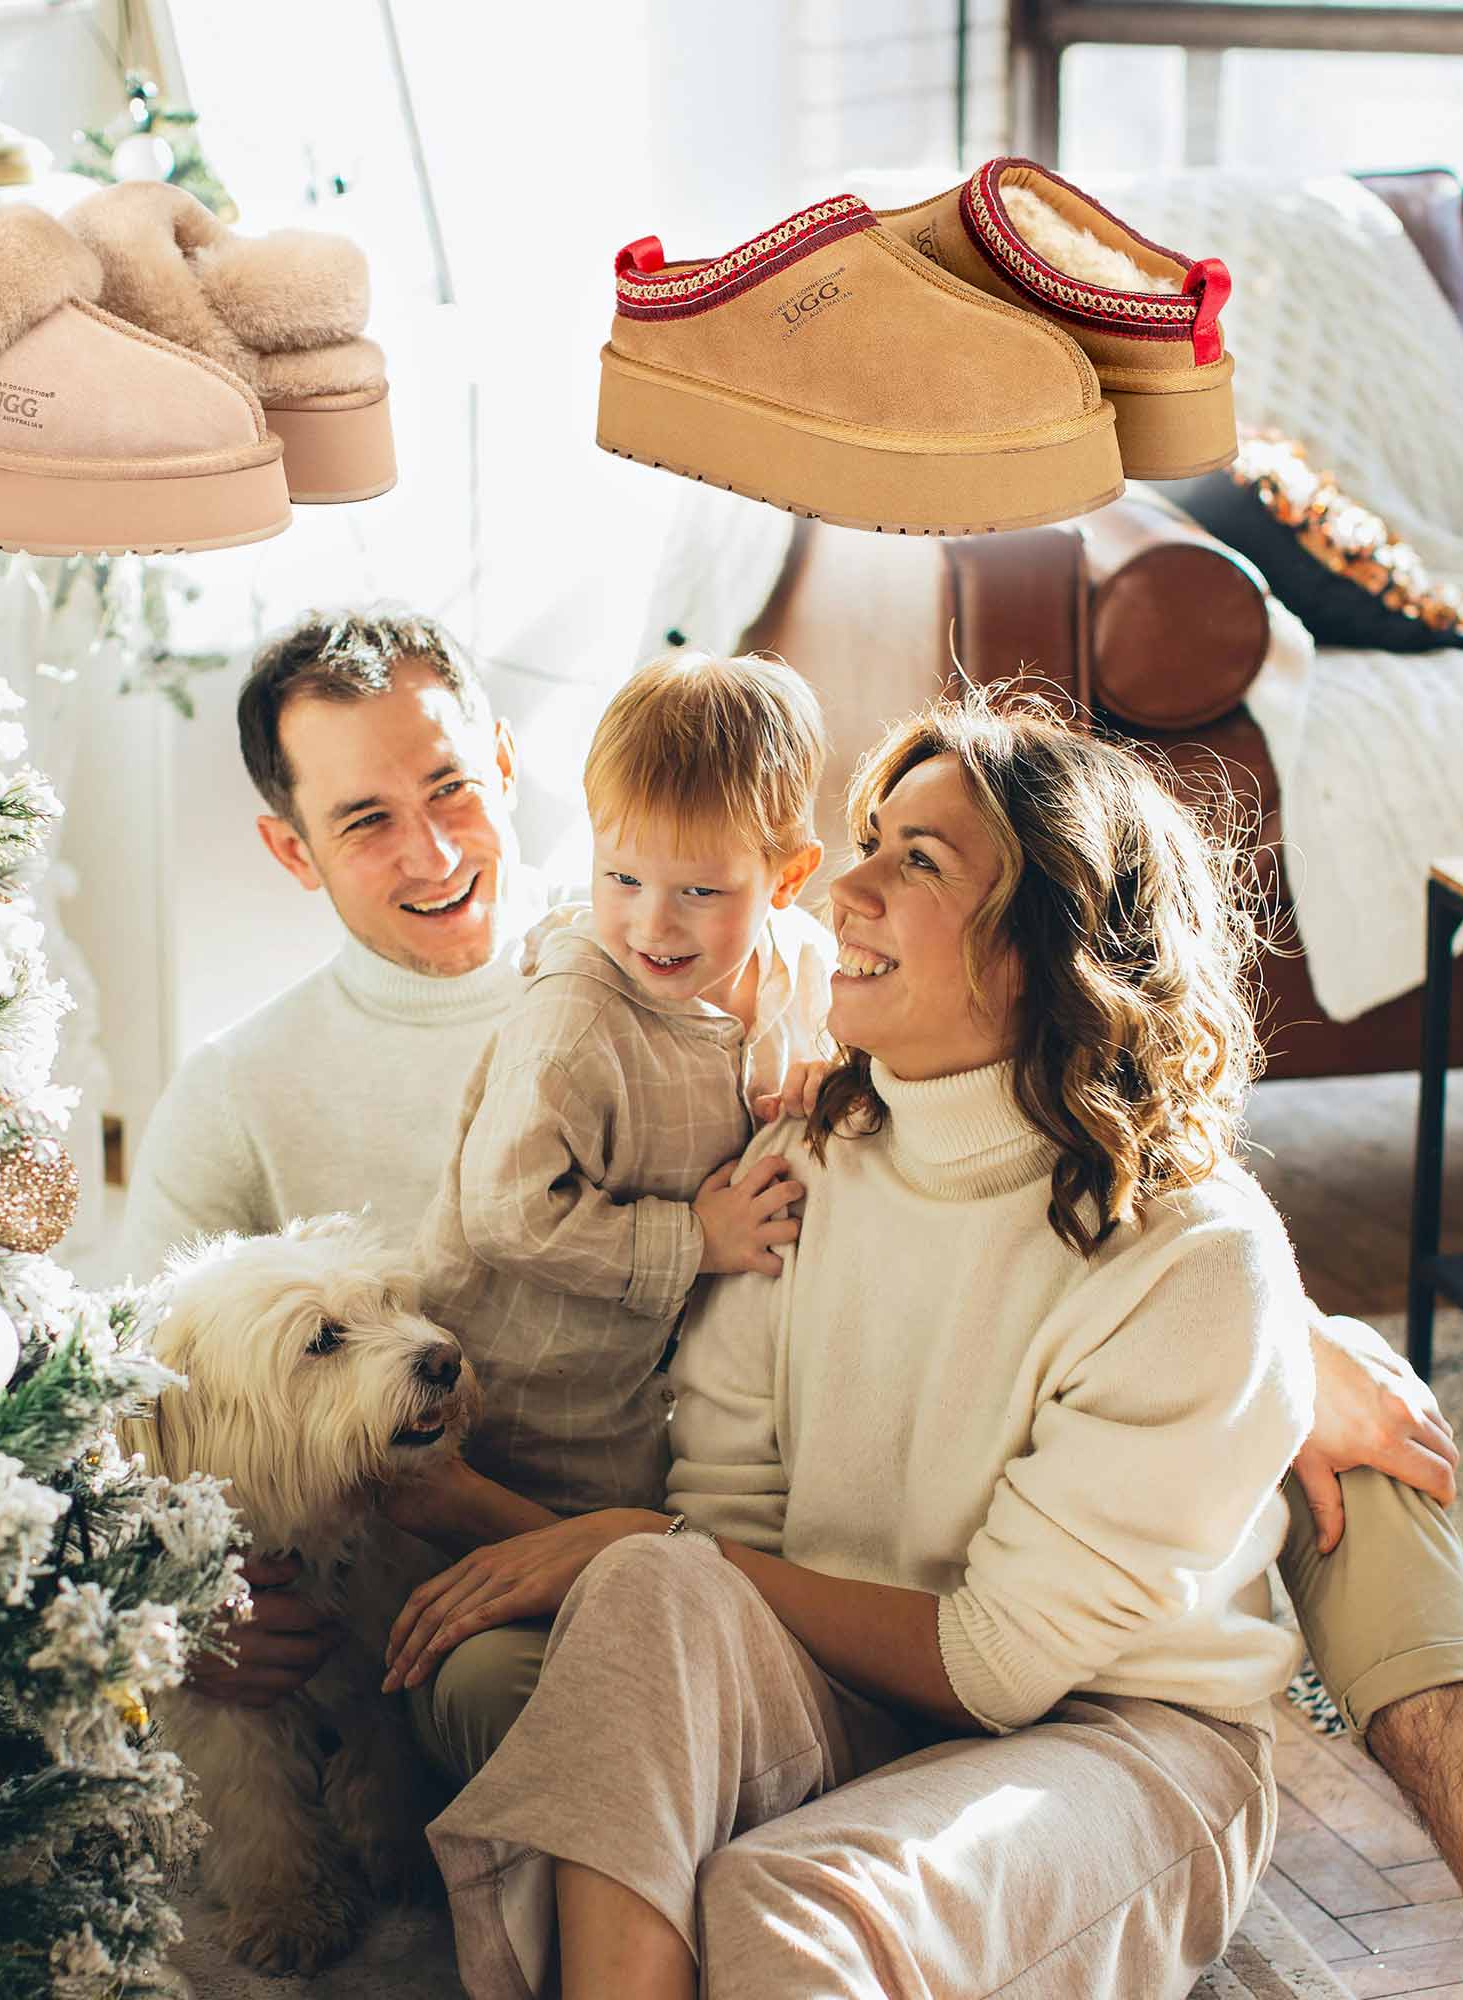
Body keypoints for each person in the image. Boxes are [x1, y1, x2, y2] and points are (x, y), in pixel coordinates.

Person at [119, 608, 1463, 1889]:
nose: (432, 850)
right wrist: (197, 1605)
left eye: (452, 788)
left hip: (740, 1505)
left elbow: (1069, 1092)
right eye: (365, 820)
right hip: (563, 1534)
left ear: (514, 771)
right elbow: (125, 1419)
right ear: (292, 850)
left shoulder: (711, 924)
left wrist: (1280, 1334)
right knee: (506, 1694)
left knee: (1361, 1412)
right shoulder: (240, 1092)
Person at [401, 700, 1323, 1993]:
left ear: (1044, 945)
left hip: (1120, 1737)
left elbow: (999, 1663)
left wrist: (650, 1544)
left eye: (917, 863)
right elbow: (727, 1530)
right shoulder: (806, 1165)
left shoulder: (1196, 1260)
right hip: (849, 1680)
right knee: (652, 1587)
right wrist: (655, 1560)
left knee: (776, 1906)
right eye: (869, 841)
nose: (846, 886)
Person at [414, 654, 833, 1518]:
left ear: (787, 880)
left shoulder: (809, 968)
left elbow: (851, 1061)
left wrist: (834, 1078)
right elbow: (506, 1211)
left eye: (701, 891)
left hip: (673, 1392)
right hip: (532, 1406)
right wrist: (693, 1241)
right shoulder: (574, 1018)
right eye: (623, 877)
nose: (653, 923)